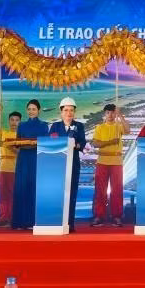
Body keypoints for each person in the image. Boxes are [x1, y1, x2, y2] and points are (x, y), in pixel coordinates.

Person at [48, 97, 86, 233]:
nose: (69, 113)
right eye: (66, 110)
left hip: (73, 165)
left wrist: (75, 145)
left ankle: (70, 223)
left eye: (71, 110)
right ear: (61, 112)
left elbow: (82, 143)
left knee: (72, 194)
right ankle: (56, 221)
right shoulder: (55, 126)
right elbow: (50, 143)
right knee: (57, 193)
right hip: (58, 165)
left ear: (74, 112)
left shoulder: (79, 126)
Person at [11, 99, 48, 230]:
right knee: (21, 187)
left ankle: (33, 221)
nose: (31, 111)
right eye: (29, 109)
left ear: (38, 110)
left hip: (36, 159)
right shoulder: (21, 125)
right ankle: (20, 222)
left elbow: (45, 143)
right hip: (23, 159)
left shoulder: (44, 125)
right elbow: (17, 142)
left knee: (34, 188)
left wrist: (32, 144)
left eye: (34, 109)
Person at [91, 103, 130, 227]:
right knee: (100, 190)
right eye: (108, 112)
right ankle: (99, 216)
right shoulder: (99, 127)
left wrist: (121, 116)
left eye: (113, 112)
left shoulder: (119, 126)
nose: (110, 115)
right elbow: (95, 144)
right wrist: (110, 142)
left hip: (116, 162)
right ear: (105, 114)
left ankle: (116, 216)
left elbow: (128, 130)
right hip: (102, 161)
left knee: (117, 190)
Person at [0, 105, 21, 227]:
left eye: (17, 120)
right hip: (2, 167)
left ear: (20, 122)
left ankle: (13, 218)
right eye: (12, 120)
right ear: (8, 121)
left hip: (15, 167)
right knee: (2, 194)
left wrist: (8, 146)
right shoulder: (3, 132)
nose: (14, 122)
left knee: (13, 193)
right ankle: (3, 218)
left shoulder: (21, 136)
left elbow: (20, 152)